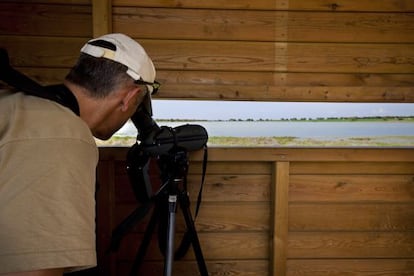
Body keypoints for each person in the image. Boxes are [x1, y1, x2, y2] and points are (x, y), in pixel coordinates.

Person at [0, 33, 159, 275]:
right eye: (137, 108)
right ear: (130, 97)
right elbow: (35, 268)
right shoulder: (64, 135)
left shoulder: (18, 104)